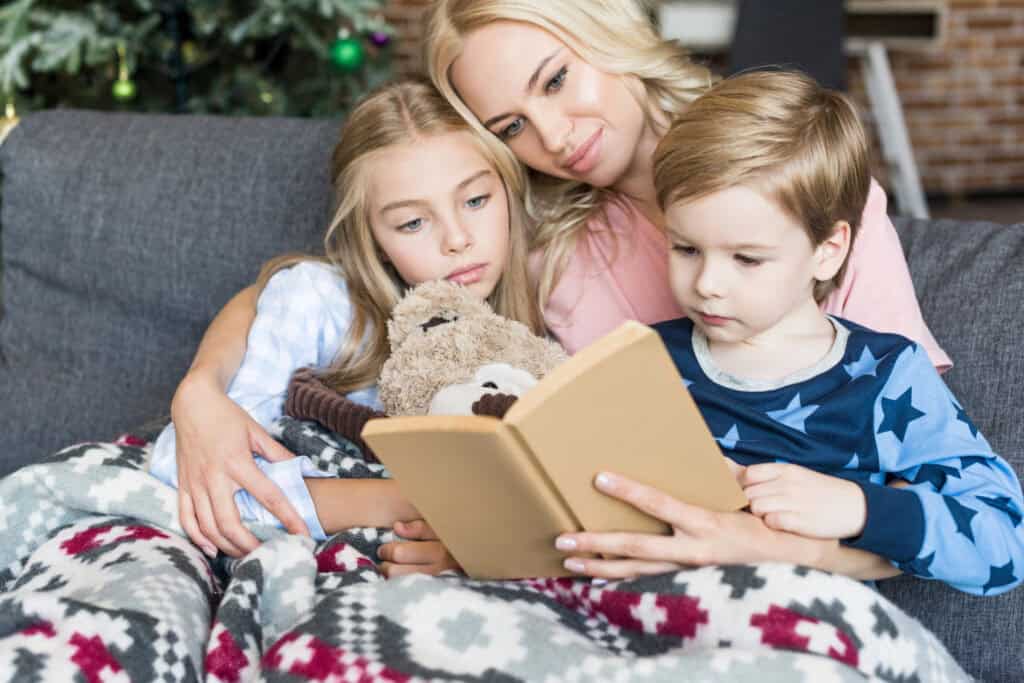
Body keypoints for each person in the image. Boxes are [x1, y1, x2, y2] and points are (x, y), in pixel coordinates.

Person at [171, 0, 951, 561]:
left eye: (554, 81)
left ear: (603, 29)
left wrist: (771, 547)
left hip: (788, 551)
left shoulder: (791, 185)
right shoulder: (539, 239)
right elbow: (324, 289)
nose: (552, 137)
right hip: (612, 554)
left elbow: (923, 474)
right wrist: (201, 390)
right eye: (509, 126)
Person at [553, 71, 1024, 596]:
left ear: (829, 249)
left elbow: (1004, 540)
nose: (707, 284)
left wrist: (860, 507)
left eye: (747, 258)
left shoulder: (884, 375)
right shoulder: (642, 361)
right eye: (686, 249)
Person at [151, 78, 534, 575]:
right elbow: (206, 476)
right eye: (413, 223)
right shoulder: (319, 301)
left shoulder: (532, 328)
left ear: (508, 188)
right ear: (372, 238)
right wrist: (419, 502)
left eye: (476, 200)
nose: (458, 239)